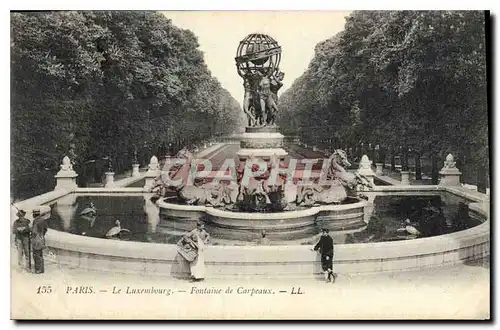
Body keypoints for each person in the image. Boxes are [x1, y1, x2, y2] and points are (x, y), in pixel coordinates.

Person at [31, 209, 48, 274]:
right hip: (41, 239)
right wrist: (42, 235)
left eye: (33, 213)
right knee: (40, 254)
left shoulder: (36, 221)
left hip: (36, 239)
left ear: (35, 214)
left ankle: (38, 269)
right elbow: (46, 229)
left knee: (36, 255)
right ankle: (41, 269)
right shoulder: (42, 220)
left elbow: (34, 231)